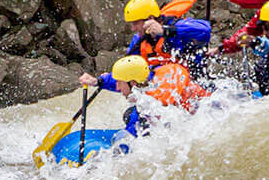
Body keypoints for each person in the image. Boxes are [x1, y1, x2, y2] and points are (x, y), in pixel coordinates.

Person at [78, 54, 207, 137]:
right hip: (201, 109)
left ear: (133, 83)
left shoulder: (149, 106)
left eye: (119, 83)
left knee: (131, 117)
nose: (117, 88)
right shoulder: (149, 78)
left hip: (202, 120)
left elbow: (128, 140)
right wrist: (99, 81)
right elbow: (125, 78)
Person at [122, 0, 211, 72]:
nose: (133, 28)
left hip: (195, 84)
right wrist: (109, 78)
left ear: (150, 18)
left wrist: (165, 31)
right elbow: (126, 73)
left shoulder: (174, 25)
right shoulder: (139, 41)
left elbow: (205, 29)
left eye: (136, 23)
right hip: (163, 85)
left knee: (170, 72)